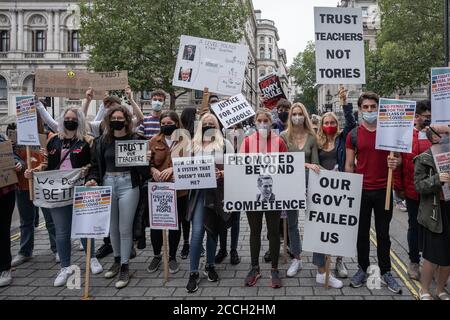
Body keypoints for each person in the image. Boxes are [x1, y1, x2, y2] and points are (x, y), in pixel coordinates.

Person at [25, 107, 103, 287]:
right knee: (61, 231)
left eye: (73, 118)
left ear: (80, 121)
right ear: (62, 120)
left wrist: (89, 176)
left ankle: (91, 258)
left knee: (84, 227)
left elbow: (94, 164)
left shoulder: (88, 141)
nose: (69, 121)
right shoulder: (53, 141)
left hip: (80, 189)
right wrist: (34, 172)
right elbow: (46, 164)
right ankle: (65, 266)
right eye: (66, 118)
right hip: (58, 193)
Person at [86, 104, 150, 289]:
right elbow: (95, 166)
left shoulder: (136, 139)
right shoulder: (101, 141)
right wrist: (92, 179)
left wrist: (145, 159)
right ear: (108, 120)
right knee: (112, 227)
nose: (116, 121)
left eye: (120, 118)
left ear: (127, 120)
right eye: (113, 119)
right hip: (107, 183)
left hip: (128, 185)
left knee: (124, 228)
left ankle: (124, 266)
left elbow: (145, 173)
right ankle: (116, 259)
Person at [345, 91, 402, 293]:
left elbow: (399, 159)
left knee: (383, 234)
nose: (370, 110)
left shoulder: (390, 131)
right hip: (361, 190)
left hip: (383, 190)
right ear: (360, 110)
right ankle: (362, 268)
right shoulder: (353, 134)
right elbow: (349, 165)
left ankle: (386, 271)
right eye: (366, 107)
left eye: (373, 107)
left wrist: (396, 162)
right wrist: (348, 192)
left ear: (378, 108)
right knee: (361, 233)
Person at [240, 108, 287, 289]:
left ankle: (274, 268)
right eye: (259, 120)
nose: (262, 124)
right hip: (254, 195)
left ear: (271, 122)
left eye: (265, 120)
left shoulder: (279, 142)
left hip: (274, 194)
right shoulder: (247, 141)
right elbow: (241, 167)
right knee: (254, 231)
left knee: (274, 232)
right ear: (254, 122)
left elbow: (286, 168)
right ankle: (254, 267)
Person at [185, 113, 231, 293]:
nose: (208, 125)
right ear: (199, 126)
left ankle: (210, 265)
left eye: (212, 123)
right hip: (198, 194)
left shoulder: (225, 145)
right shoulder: (192, 145)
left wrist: (222, 174)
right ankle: (193, 271)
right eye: (205, 123)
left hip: (218, 193)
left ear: (217, 126)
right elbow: (184, 168)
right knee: (197, 233)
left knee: (213, 231)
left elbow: (233, 168)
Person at [313, 94, 356, 285]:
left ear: (336, 124)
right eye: (326, 122)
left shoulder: (343, 138)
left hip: (340, 189)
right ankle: (322, 267)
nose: (329, 124)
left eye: (332, 122)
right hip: (321, 190)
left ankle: (339, 262)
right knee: (321, 228)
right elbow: (311, 162)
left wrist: (345, 104)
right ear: (321, 124)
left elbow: (352, 123)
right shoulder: (317, 141)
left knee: (339, 227)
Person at [8, 120, 58, 267]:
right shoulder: (15, 138)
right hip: (23, 184)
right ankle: (25, 251)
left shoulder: (50, 136)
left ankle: (57, 248)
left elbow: (55, 157)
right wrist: (16, 159)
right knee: (26, 221)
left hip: (44, 183)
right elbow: (11, 157)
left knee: (50, 219)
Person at [279, 102, 320, 279]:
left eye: (299, 113)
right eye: (294, 114)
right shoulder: (283, 136)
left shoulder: (312, 137)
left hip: (310, 184)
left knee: (315, 222)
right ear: (290, 117)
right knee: (293, 224)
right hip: (290, 185)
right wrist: (304, 164)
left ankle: (319, 263)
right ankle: (297, 258)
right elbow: (282, 162)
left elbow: (316, 164)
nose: (297, 117)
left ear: (304, 115)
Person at [146, 111, 189, 275]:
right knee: (156, 225)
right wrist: (152, 170)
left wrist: (174, 168)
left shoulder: (185, 141)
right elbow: (146, 162)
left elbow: (190, 162)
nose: (165, 125)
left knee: (175, 224)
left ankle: (172, 256)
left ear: (177, 124)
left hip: (179, 191)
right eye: (162, 123)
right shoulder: (153, 141)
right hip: (158, 190)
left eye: (169, 122)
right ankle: (157, 255)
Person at [395, 100, 432, 280]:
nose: (429, 120)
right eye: (426, 117)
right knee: (414, 227)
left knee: (432, 228)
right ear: (417, 117)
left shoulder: (435, 135)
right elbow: (398, 164)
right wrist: (399, 188)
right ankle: (414, 262)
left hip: (432, 191)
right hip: (411, 191)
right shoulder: (406, 135)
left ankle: (430, 262)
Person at [414, 125, 450, 300]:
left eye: (447, 133)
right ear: (433, 137)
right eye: (442, 133)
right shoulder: (424, 158)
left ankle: (441, 289)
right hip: (435, 213)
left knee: (448, 255)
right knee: (432, 255)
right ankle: (424, 289)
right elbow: (419, 186)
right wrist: (437, 179)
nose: (445, 136)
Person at [215, 123, 242, 265]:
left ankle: (233, 250)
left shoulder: (246, 141)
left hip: (237, 184)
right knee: (222, 218)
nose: (234, 130)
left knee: (236, 218)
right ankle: (223, 248)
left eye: (237, 127)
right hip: (221, 185)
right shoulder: (222, 143)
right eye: (231, 128)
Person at [0, 133, 24, 287]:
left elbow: (17, 159)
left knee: (2, 231)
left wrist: (18, 165)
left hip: (4, 193)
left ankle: (4, 268)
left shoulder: (1, 139)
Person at [178, 107, 198, 259]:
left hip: (185, 178)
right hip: (192, 178)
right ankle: (187, 242)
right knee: (188, 214)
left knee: (184, 213)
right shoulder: (187, 135)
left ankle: (186, 242)